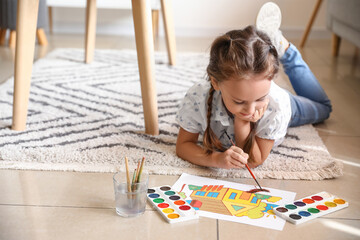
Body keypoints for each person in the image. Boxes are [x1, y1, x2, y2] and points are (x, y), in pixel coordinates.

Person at [175, 2, 332, 169]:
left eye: (259, 99)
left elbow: (254, 160)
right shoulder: (198, 97)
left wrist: (242, 121)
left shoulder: (276, 105)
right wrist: (215, 159)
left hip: (285, 103)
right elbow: (183, 145)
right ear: (215, 83)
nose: (251, 111)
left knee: (324, 108)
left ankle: (286, 50)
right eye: (239, 101)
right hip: (261, 93)